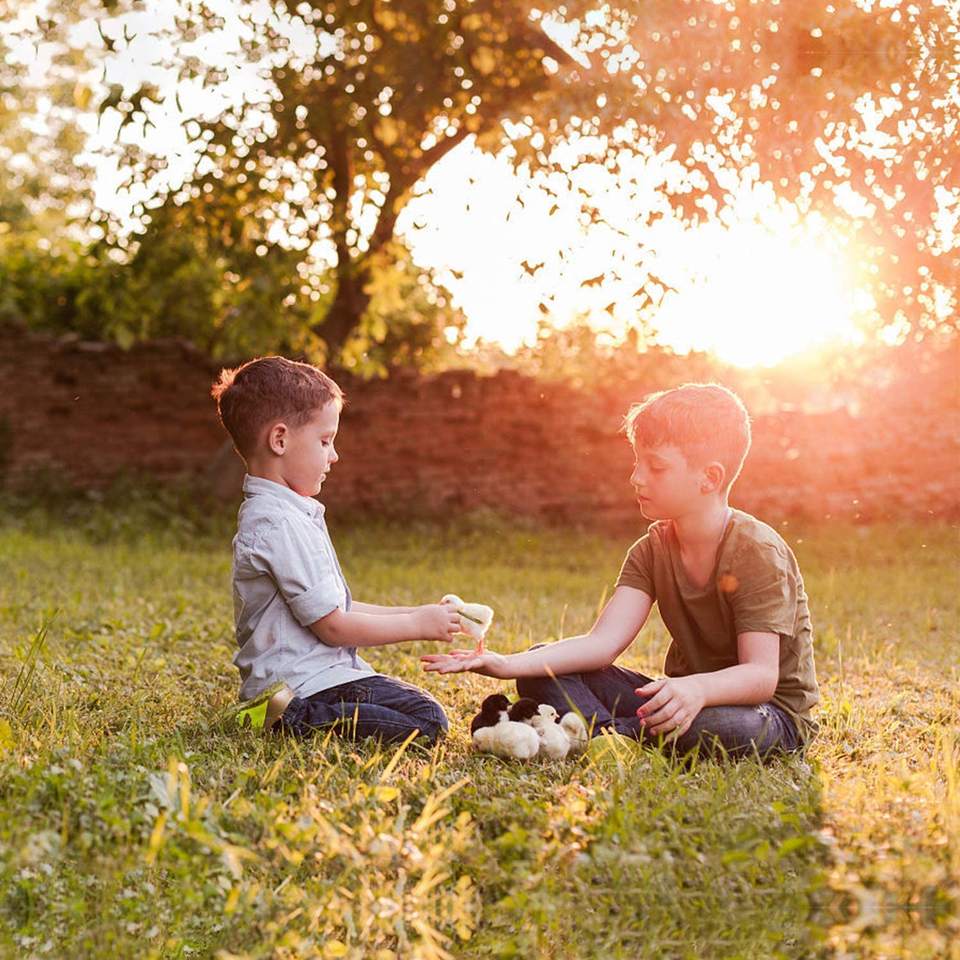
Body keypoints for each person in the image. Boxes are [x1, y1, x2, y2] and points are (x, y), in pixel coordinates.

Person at [423, 383, 819, 759]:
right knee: (541, 664)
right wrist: (505, 663)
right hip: (677, 699)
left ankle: (608, 735)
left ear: (709, 478)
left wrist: (697, 688)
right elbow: (602, 644)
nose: (637, 477)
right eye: (638, 462)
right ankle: (616, 739)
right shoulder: (652, 548)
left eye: (656, 466)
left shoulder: (757, 551)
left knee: (720, 725)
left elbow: (760, 677)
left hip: (766, 714)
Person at [212, 355, 456, 744]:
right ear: (279, 440)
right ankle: (286, 718)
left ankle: (280, 711)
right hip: (304, 685)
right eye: (325, 441)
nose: (334, 455)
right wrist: (417, 626)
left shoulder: (289, 514)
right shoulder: (279, 524)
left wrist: (419, 612)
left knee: (417, 708)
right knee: (427, 718)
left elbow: (337, 608)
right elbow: (334, 627)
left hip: (318, 678)